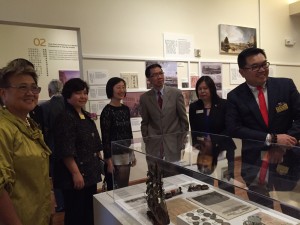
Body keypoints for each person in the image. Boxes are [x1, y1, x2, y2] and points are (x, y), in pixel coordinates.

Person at [226, 47, 300, 219]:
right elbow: (233, 128)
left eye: (264, 64)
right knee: (261, 210)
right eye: (255, 67)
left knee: (291, 208)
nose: (262, 69)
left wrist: (283, 144)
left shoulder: (285, 86)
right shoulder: (235, 97)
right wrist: (271, 139)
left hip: (287, 160)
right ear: (242, 72)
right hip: (255, 163)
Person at [0, 59, 51, 225]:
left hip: (37, 214)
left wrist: (50, 195)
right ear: (3, 93)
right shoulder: (3, 129)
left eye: (34, 87)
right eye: (22, 87)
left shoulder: (29, 124)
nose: (30, 93)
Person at [53, 78, 103, 225]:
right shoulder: (65, 117)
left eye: (85, 93)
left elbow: (94, 143)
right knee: (76, 213)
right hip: (75, 175)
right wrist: (76, 173)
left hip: (89, 172)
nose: (83, 96)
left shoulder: (85, 115)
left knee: (89, 210)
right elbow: (66, 149)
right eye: (78, 93)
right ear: (68, 95)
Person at [189, 76, 236, 193]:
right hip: (204, 151)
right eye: (199, 89)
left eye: (205, 88)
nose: (202, 91)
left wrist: (212, 140)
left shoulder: (224, 105)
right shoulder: (194, 107)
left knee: (226, 184)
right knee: (204, 182)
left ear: (212, 89)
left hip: (223, 149)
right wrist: (199, 145)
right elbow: (194, 130)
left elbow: (230, 128)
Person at [140, 63, 189, 170]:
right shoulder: (145, 98)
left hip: (173, 144)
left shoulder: (176, 94)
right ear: (149, 79)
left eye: (161, 73)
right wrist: (147, 140)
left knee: (174, 175)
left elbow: (184, 121)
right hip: (154, 145)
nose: (159, 77)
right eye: (155, 75)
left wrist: (182, 141)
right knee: (155, 176)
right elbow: (145, 122)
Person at [30, 79, 65, 212]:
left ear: (49, 91)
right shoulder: (69, 104)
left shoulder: (43, 107)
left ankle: (61, 204)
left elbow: (41, 131)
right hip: (70, 146)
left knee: (55, 176)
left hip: (52, 146)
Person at [100, 77, 136, 190]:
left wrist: (132, 153)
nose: (121, 90)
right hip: (114, 156)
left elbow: (129, 132)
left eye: (123, 87)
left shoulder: (125, 109)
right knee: (115, 188)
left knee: (124, 185)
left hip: (126, 153)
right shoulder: (107, 111)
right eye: (118, 87)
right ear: (111, 89)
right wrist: (108, 161)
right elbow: (105, 138)